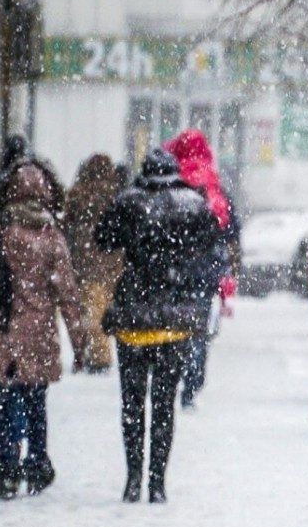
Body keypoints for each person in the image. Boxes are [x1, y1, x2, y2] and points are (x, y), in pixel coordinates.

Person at [95, 148, 222, 503]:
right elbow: (212, 242)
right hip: (174, 318)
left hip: (134, 315)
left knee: (132, 403)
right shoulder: (193, 204)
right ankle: (157, 483)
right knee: (164, 404)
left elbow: (102, 239)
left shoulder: (128, 201)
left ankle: (132, 478)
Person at [0, 159, 85, 499]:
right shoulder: (52, 237)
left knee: (0, 399)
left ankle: (6, 465)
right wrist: (80, 340)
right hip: (37, 334)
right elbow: (69, 294)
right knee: (34, 401)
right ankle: (36, 460)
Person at [163, 129, 238, 409]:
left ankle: (172, 374)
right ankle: (192, 383)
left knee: (173, 323)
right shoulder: (213, 184)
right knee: (199, 329)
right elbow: (230, 230)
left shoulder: (170, 181)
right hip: (205, 269)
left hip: (174, 267)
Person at [63, 154, 124, 373]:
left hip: (85, 263)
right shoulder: (117, 194)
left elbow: (66, 224)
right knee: (101, 312)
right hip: (112, 263)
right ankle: (98, 354)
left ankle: (96, 355)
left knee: (89, 313)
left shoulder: (79, 194)